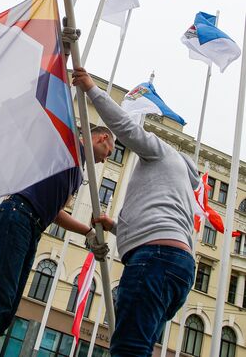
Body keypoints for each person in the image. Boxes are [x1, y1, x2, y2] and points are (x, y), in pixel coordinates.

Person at [72, 67, 200, 357]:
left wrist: (92, 89)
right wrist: (116, 226)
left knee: (128, 348)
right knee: (140, 348)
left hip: (154, 261)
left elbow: (127, 128)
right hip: (180, 267)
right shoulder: (182, 183)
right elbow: (159, 221)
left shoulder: (163, 153)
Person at [0, 127, 114, 357]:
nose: (104, 160)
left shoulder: (77, 174)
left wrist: (88, 232)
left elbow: (55, 212)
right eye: (108, 152)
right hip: (17, 215)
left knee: (6, 310)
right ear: (101, 138)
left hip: (32, 226)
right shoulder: (66, 147)